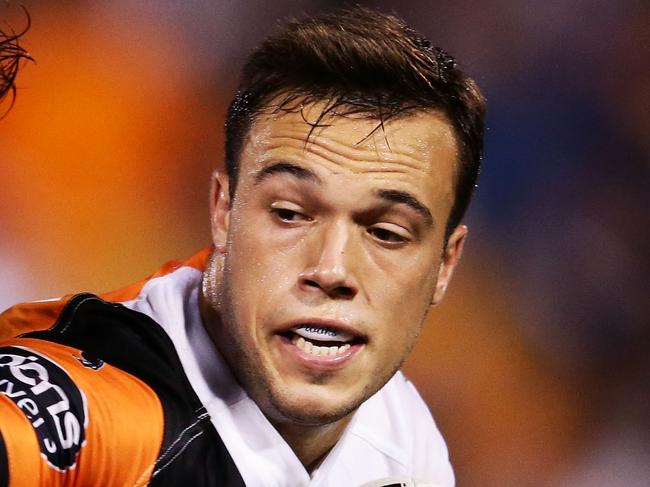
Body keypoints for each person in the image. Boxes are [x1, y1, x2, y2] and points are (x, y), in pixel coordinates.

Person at [0, 6, 485, 487]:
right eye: (290, 214)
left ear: (445, 265)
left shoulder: (401, 439)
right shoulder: (103, 417)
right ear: (222, 213)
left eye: (386, 233)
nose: (332, 268)